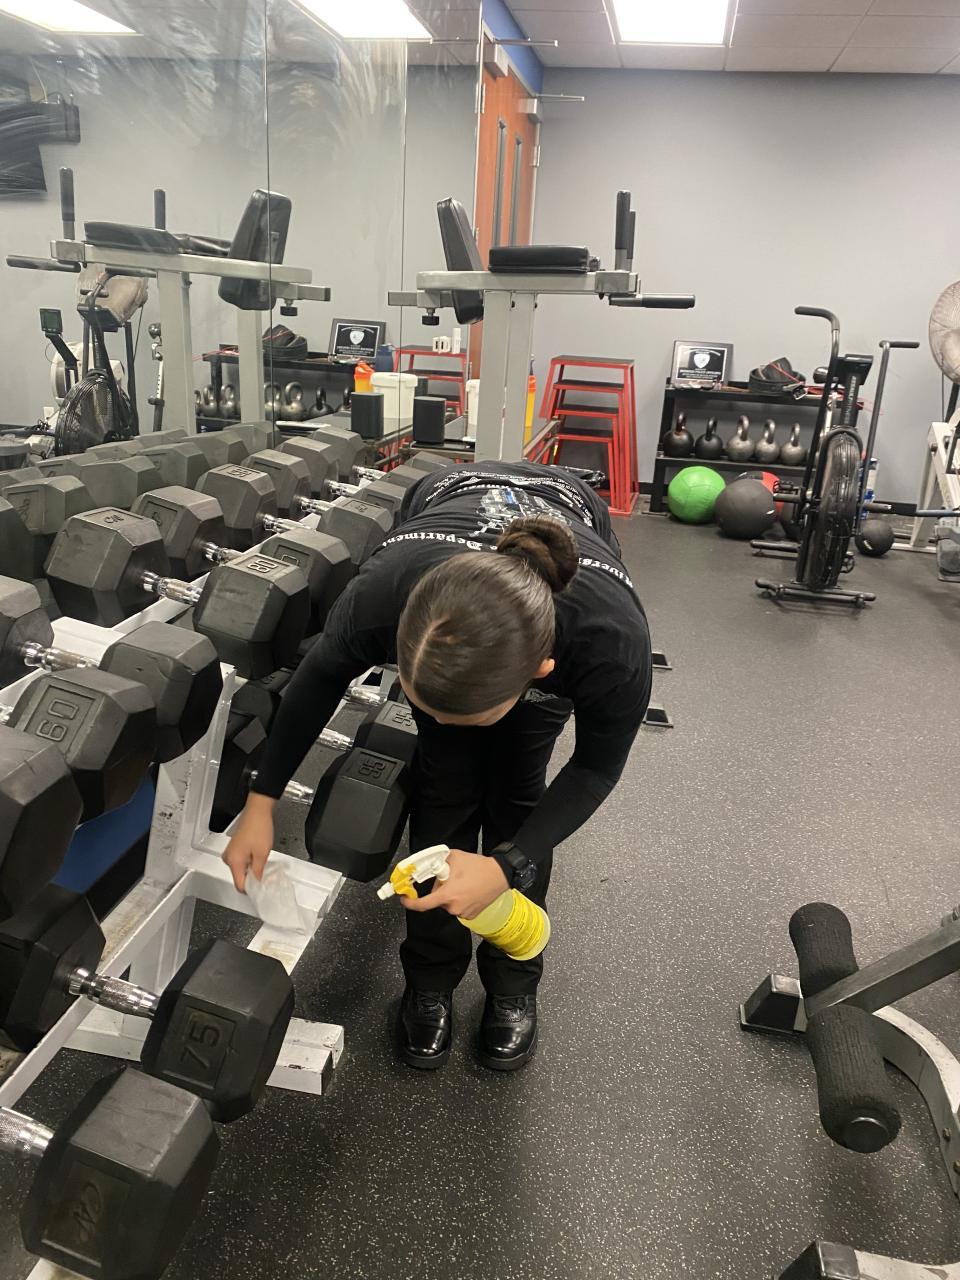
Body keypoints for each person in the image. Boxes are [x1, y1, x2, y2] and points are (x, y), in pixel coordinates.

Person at [223, 460, 652, 1071]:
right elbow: (315, 684)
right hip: (447, 499)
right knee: (443, 791)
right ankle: (429, 979)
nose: (445, 722)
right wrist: (260, 803)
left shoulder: (608, 643)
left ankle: (513, 982)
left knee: (518, 800)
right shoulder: (383, 594)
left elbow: (594, 770)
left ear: (540, 673)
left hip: (568, 529)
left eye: (463, 713)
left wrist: (504, 866)